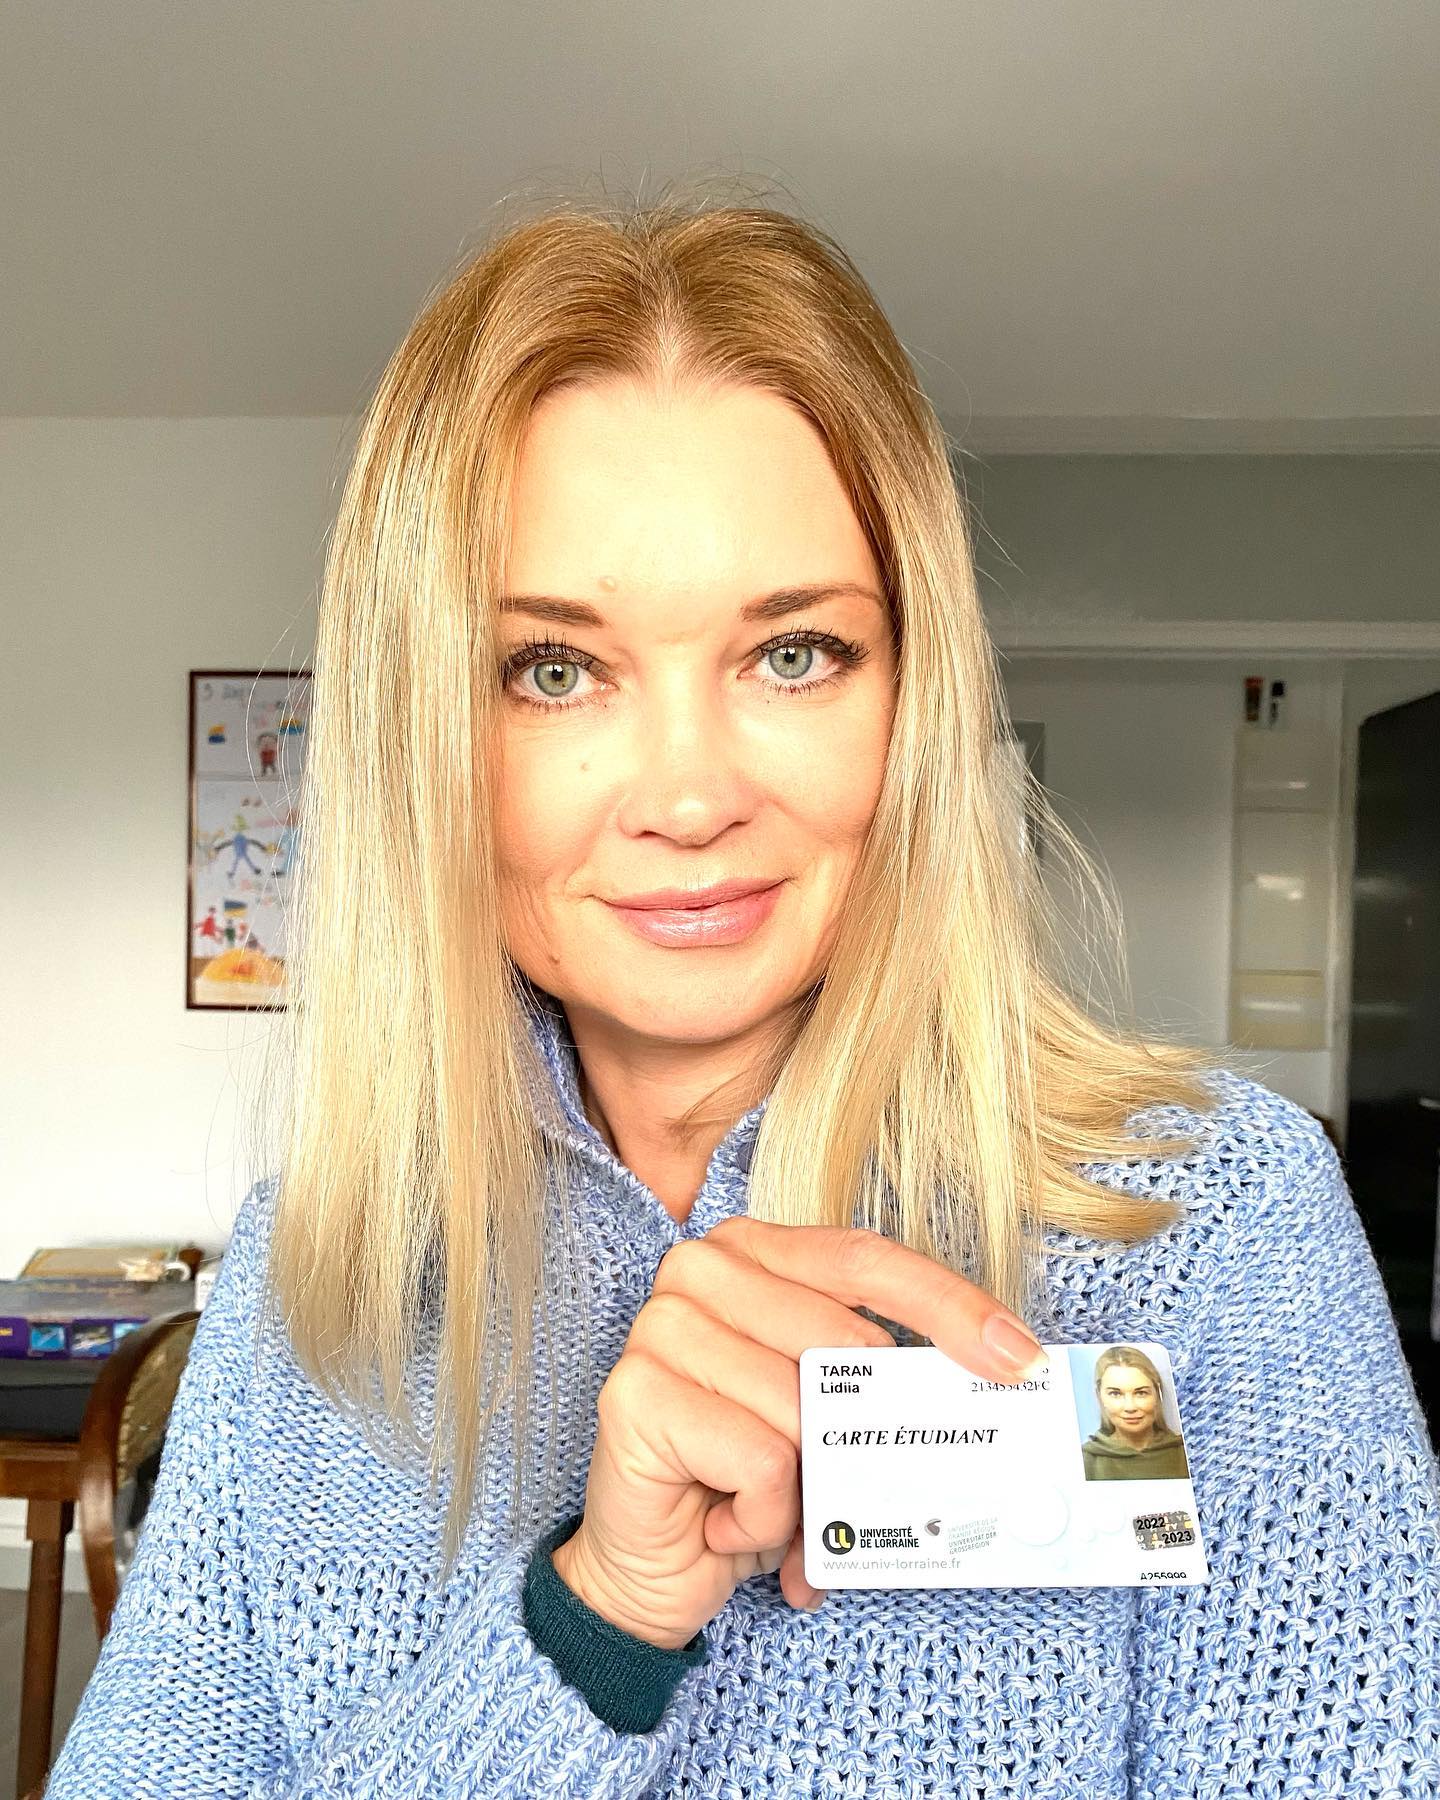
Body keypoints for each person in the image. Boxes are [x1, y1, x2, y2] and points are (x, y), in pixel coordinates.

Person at [48, 188, 1438, 1799]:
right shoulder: (315, 1277)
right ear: (425, 735)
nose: (691, 796)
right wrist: (591, 1625)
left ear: (910, 695)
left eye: (793, 654)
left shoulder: (1214, 1232)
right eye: (554, 671)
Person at [1080, 1344, 1191, 1481]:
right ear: (1099, 1396)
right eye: (1115, 1394)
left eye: (1141, 1393)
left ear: (1158, 1394)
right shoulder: (1085, 1460)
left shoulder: (1185, 1452)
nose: (1130, 1407)